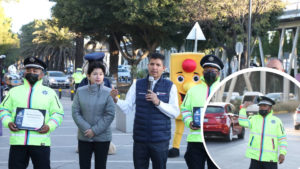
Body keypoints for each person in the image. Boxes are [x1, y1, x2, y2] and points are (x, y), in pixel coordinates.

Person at [110, 53, 180, 169]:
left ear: (164, 68)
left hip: (160, 140)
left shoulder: (170, 86)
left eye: (158, 65)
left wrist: (158, 102)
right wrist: (115, 99)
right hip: (140, 140)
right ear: (148, 65)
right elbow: (127, 107)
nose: (154, 67)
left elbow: (175, 112)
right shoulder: (138, 84)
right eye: (152, 64)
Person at [0, 57, 64, 169]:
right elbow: (3, 109)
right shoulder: (14, 92)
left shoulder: (50, 93)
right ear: (24, 72)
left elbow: (58, 113)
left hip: (41, 142)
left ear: (42, 74)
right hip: (18, 142)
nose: (31, 73)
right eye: (28, 70)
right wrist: (8, 123)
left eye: (35, 71)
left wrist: (49, 126)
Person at [181, 54, 223, 169]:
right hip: (196, 141)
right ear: (203, 72)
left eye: (213, 70)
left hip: (216, 141)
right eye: (207, 70)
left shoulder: (224, 89)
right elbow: (185, 110)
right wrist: (189, 122)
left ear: (218, 73)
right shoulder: (193, 90)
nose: (209, 72)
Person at [72, 61, 116, 169]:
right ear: (88, 75)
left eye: (101, 74)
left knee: (101, 166)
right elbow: (75, 112)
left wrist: (94, 131)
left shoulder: (109, 92)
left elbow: (109, 114)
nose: (98, 77)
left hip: (103, 137)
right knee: (84, 166)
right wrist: (87, 129)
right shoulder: (80, 91)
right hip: (84, 135)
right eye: (95, 74)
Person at [238, 96, 287, 169]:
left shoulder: (277, 121)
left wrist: (282, 153)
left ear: (270, 108)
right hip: (255, 158)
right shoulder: (253, 119)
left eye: (264, 106)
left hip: (270, 159)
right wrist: (243, 108)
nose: (261, 108)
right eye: (260, 106)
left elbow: (282, 139)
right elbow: (242, 122)